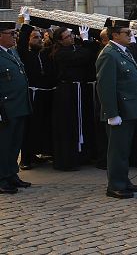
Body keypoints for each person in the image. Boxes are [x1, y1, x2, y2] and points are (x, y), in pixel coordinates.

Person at [95, 20, 137, 199]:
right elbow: (106, 87)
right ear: (115, 34)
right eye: (126, 33)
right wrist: (111, 113)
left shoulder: (123, 51)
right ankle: (115, 185)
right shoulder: (109, 54)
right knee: (117, 150)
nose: (130, 35)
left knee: (125, 149)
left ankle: (123, 180)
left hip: (129, 108)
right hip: (120, 111)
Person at [51, 25, 101, 171]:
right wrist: (85, 41)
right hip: (68, 92)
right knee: (70, 125)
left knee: (83, 122)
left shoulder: (74, 48)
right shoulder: (60, 53)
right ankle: (68, 159)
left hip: (80, 89)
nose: (72, 38)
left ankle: (83, 155)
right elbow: (82, 57)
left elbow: (89, 55)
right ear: (60, 41)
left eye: (71, 35)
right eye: (67, 36)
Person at [17, 17, 57, 169]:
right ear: (28, 40)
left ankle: (38, 153)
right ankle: (26, 159)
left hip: (47, 94)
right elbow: (20, 43)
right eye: (35, 37)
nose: (39, 40)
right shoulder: (25, 54)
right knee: (30, 127)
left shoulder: (45, 53)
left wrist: (50, 30)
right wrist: (26, 25)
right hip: (33, 95)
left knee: (44, 125)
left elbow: (54, 45)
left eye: (40, 37)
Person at [0, 22, 32, 194]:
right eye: (11, 33)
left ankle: (11, 174)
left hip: (19, 105)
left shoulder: (11, 52)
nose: (14, 36)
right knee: (3, 144)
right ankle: (2, 178)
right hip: (5, 108)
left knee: (15, 143)